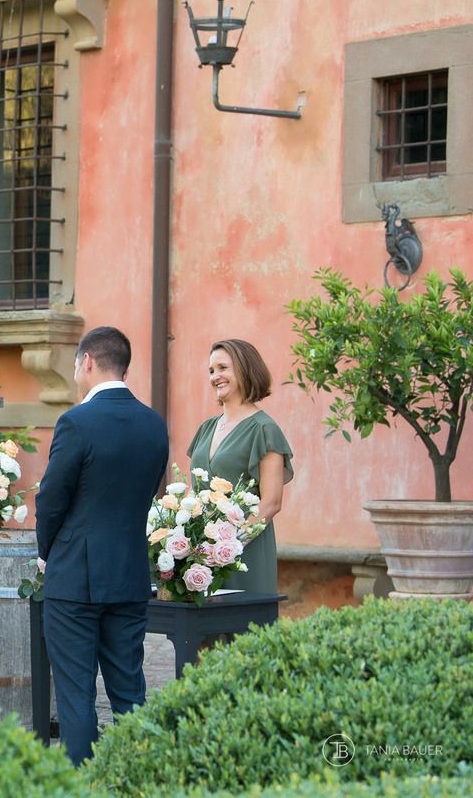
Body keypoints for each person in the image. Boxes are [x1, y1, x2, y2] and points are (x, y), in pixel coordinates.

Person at [34, 326, 169, 764]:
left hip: (74, 578)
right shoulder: (154, 423)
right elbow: (148, 492)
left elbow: (51, 500)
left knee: (76, 696)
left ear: (87, 362)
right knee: (130, 690)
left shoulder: (76, 421)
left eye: (76, 366)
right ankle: (136, 779)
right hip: (129, 575)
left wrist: (47, 552)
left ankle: (82, 785)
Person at [186, 339, 293, 594]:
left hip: (245, 551)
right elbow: (194, 493)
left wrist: (229, 547)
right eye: (211, 371)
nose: (215, 376)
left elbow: (271, 502)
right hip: (201, 556)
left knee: (242, 629)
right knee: (202, 631)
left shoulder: (264, 429)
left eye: (223, 368)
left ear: (245, 370)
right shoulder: (206, 428)